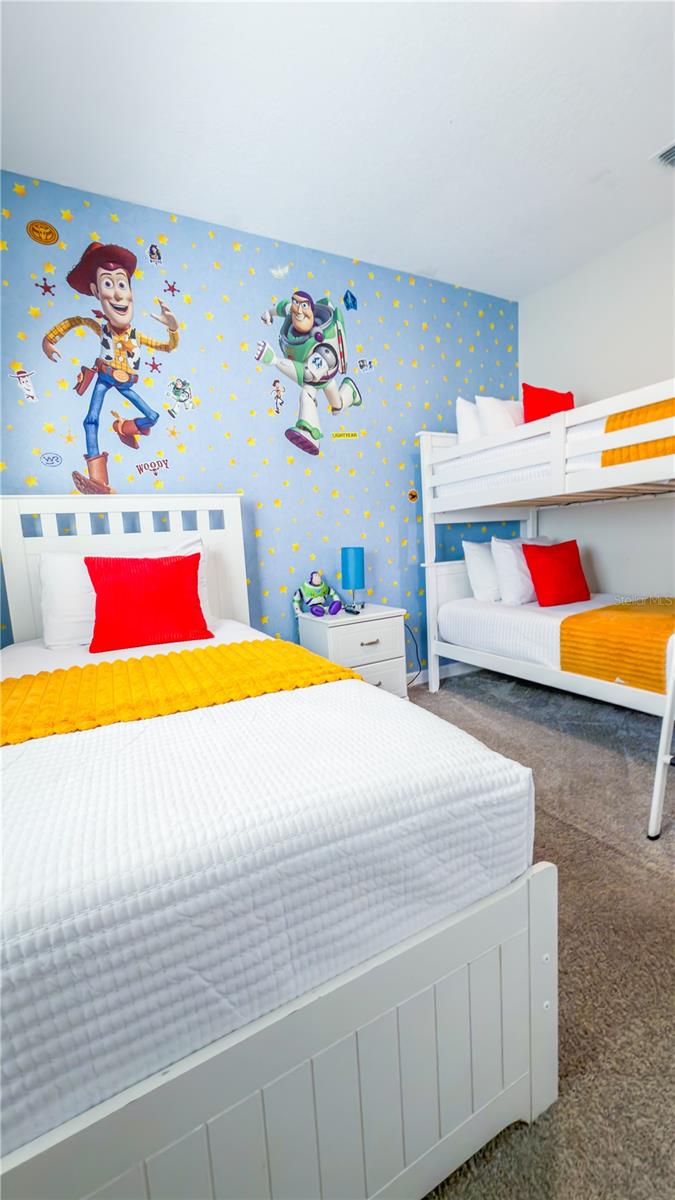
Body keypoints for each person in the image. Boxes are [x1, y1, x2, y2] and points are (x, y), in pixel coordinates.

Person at [42, 242, 179, 494]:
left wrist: (172, 328)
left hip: (126, 382)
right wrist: (49, 340)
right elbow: (77, 321)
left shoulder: (137, 336)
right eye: (108, 284)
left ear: (130, 291)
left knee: (153, 417)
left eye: (122, 285)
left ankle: (123, 427)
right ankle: (99, 481)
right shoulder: (102, 328)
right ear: (96, 291)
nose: (117, 295)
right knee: (90, 420)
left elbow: (168, 347)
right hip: (105, 378)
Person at [255, 289, 361, 456]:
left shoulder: (323, 347)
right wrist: (269, 313)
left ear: (311, 310)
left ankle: (311, 433)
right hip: (317, 377)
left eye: (304, 306)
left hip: (320, 376)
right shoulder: (294, 314)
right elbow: (283, 307)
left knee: (308, 396)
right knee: (336, 406)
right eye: (296, 303)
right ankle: (349, 392)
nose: (298, 310)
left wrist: (274, 360)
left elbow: (307, 375)